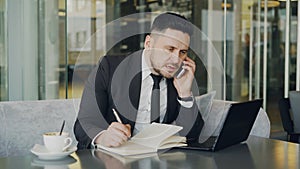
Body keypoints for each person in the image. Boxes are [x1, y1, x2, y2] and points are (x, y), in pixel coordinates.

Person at [74, 12, 204, 149]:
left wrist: (185, 94)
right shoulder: (109, 68)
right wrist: (103, 137)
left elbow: (193, 135)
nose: (176, 59)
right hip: (114, 159)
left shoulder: (179, 78)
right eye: (170, 49)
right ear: (148, 43)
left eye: (182, 52)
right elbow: (83, 125)